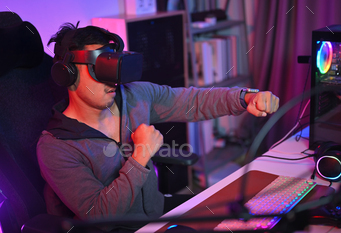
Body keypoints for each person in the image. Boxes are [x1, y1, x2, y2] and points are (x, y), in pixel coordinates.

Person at [36, 23, 279, 232]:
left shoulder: (134, 95)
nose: (112, 79)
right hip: (120, 230)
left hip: (158, 212)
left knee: (241, 219)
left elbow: (192, 101)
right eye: (99, 69)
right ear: (67, 74)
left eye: (112, 66)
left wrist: (245, 98)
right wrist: (140, 156)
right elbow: (100, 215)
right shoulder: (56, 147)